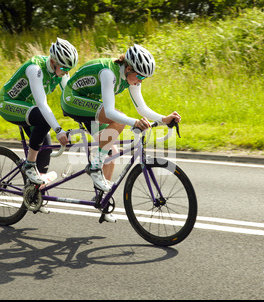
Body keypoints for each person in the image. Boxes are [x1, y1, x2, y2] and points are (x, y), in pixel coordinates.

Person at [61, 44, 181, 193]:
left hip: (90, 101)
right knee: (118, 120)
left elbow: (141, 107)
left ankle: (102, 201)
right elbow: (110, 112)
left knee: (111, 154)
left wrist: (164, 119)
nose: (142, 81)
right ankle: (94, 167)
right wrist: (134, 122)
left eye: (145, 77)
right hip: (72, 99)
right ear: (129, 68)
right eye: (141, 76)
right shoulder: (108, 73)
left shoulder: (130, 75)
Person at [0, 38, 78, 185]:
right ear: (53, 61)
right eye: (64, 68)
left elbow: (69, 97)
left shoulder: (61, 72)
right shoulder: (36, 69)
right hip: (8, 103)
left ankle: (35, 194)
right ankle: (29, 165)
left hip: (29, 107)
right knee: (44, 119)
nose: (66, 72)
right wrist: (58, 130)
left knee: (45, 148)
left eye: (69, 69)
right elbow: (42, 104)